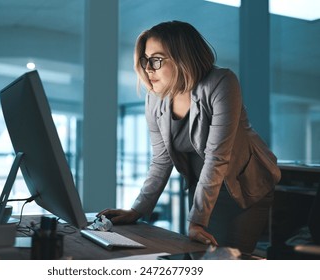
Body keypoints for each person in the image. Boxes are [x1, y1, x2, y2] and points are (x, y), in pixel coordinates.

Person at [98, 20, 281, 255]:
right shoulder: (155, 98)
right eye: (145, 60)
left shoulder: (222, 83)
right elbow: (161, 160)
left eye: (157, 59)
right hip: (202, 186)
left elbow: (217, 157)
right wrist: (137, 210)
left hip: (244, 186)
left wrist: (197, 221)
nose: (148, 68)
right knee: (198, 260)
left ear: (182, 57)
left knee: (225, 263)